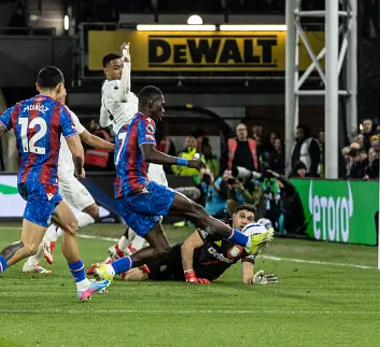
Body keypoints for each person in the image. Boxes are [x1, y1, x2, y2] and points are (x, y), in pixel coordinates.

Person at [92, 85, 274, 283]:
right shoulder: (146, 122)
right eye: (161, 106)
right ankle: (248, 241)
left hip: (122, 196)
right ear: (150, 104)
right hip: (138, 188)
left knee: (161, 249)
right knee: (197, 211)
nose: (164, 110)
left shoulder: (126, 127)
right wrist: (185, 161)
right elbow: (149, 154)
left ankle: (110, 268)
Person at [0, 66, 110, 306]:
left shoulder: (19, 107)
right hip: (43, 183)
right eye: (63, 88)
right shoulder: (59, 110)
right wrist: (79, 170)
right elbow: (78, 151)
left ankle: (82, 286)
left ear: (37, 86)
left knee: (70, 224)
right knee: (29, 245)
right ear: (58, 88)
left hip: (26, 179)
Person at [23, 97, 115, 273]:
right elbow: (88, 139)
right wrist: (117, 147)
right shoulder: (64, 112)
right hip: (62, 174)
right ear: (59, 90)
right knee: (92, 212)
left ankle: (32, 262)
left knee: (48, 216)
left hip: (44, 173)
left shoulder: (35, 112)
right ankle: (52, 234)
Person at [100, 43, 169, 259]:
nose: (120, 71)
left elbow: (103, 120)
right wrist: (129, 62)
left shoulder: (108, 91)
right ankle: (131, 251)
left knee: (145, 198)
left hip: (127, 144)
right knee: (158, 197)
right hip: (136, 146)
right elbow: (121, 96)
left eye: (122, 67)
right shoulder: (114, 88)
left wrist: (116, 124)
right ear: (107, 70)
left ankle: (121, 248)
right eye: (116, 67)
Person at [122, 205, 278, 286]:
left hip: (201, 275)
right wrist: (190, 276)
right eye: (242, 216)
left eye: (250, 218)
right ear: (234, 217)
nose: (245, 221)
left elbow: (246, 276)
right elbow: (187, 246)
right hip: (178, 261)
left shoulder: (250, 242)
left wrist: (253, 281)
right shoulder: (219, 227)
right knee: (133, 276)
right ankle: (118, 262)